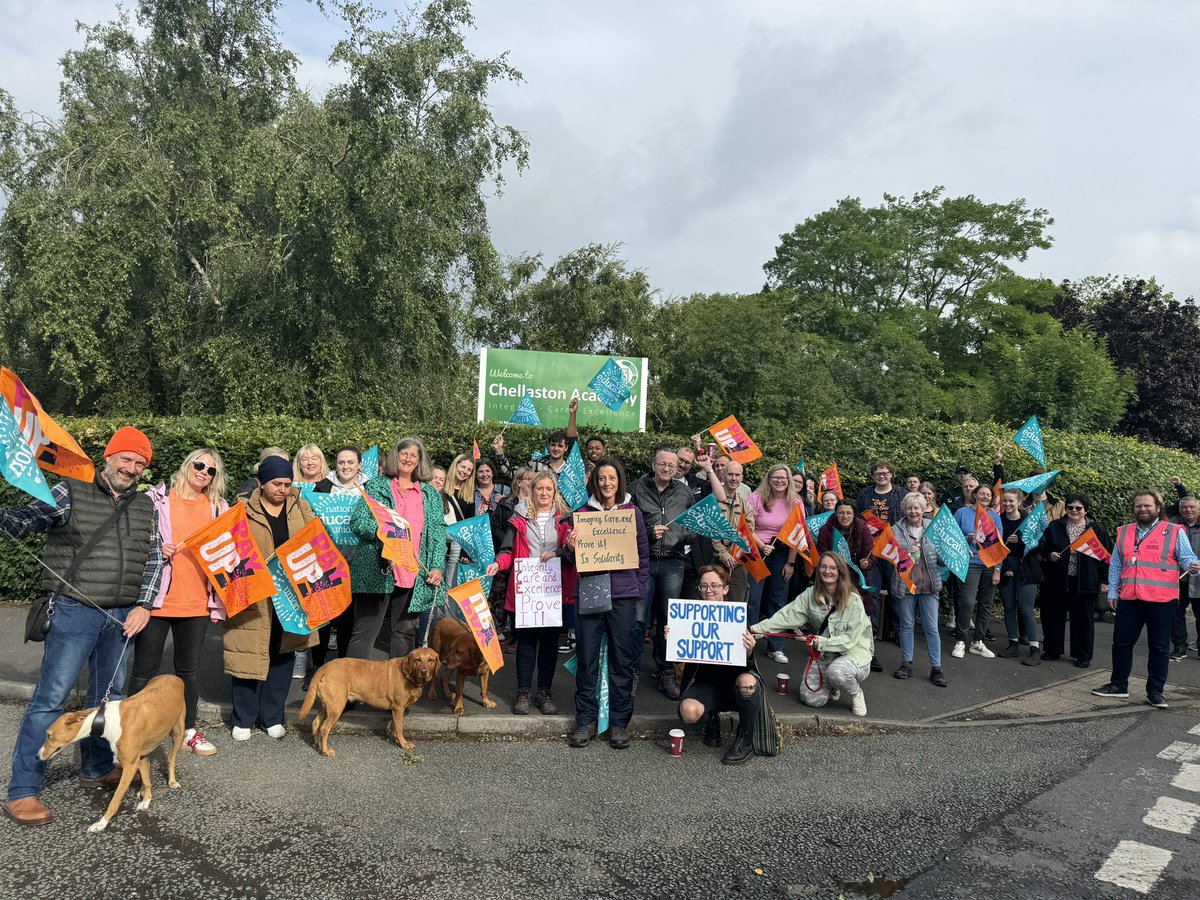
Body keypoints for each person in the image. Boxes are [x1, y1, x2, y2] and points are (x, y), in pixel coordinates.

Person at [2, 427, 161, 827]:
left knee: (110, 701)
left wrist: (144, 605)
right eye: (126, 458)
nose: (132, 467)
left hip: (123, 616)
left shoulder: (145, 506)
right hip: (74, 611)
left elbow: (156, 560)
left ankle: (95, 768)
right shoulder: (70, 490)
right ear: (108, 457)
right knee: (51, 699)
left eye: (140, 463)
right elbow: (24, 521)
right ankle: (22, 791)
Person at [131, 448, 229, 758]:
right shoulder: (155, 500)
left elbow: (228, 555)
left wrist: (221, 602)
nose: (204, 472)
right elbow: (133, 542)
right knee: (143, 671)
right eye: (200, 465)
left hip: (196, 603)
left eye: (211, 470)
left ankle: (188, 730)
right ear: (187, 464)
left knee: (189, 672)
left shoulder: (218, 508)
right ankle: (134, 728)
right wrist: (157, 549)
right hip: (157, 601)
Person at [225, 455, 319, 741]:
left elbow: (316, 538)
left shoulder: (300, 505)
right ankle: (243, 717)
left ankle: (272, 716)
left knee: (283, 653)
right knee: (248, 654)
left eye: (288, 483)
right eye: (277, 483)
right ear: (260, 483)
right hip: (252, 595)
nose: (283, 489)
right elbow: (228, 549)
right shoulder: (241, 509)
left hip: (289, 595)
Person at [562, 458, 649, 749]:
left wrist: (639, 592)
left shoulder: (632, 513)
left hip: (624, 596)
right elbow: (572, 559)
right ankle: (585, 721)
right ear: (595, 482)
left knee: (622, 661)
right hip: (590, 592)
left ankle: (619, 724)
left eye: (611, 478)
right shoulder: (583, 514)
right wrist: (570, 548)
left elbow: (643, 556)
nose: (606, 483)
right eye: (601, 479)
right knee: (587, 659)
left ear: (619, 480)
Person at [1094, 491, 1200, 708]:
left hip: (1162, 600)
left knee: (1159, 648)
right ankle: (1118, 685)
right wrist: (1113, 592)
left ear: (1157, 507)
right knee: (1121, 643)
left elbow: (1187, 557)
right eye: (1138, 506)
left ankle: (1155, 692)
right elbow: (1116, 564)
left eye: (1147, 506)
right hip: (1130, 599)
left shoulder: (1173, 531)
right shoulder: (1124, 532)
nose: (1142, 509)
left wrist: (1193, 566)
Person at [346, 437, 446, 660]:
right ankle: (353, 692)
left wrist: (438, 566)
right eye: (404, 454)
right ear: (395, 456)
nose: (408, 459)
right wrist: (384, 532)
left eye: (414, 455)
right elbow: (358, 522)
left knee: (405, 632)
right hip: (377, 569)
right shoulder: (376, 486)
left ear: (420, 461)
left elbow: (438, 534)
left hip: (413, 572)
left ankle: (399, 691)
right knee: (365, 632)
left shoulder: (430, 495)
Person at [487, 472, 577, 716]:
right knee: (526, 644)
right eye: (540, 489)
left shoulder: (566, 520)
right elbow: (507, 551)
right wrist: (498, 563)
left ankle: (545, 693)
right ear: (532, 490)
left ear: (554, 491)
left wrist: (561, 551)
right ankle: (524, 692)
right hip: (527, 591)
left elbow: (573, 553)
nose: (544, 493)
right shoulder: (519, 518)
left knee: (549, 644)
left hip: (553, 591)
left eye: (549, 489)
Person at [747, 552, 872, 717]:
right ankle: (833, 685)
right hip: (825, 651)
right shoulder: (810, 594)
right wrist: (754, 631)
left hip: (854, 654)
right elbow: (785, 617)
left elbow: (849, 640)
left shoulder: (854, 600)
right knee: (811, 699)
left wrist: (822, 643)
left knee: (837, 673)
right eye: (823, 566)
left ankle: (856, 693)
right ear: (818, 570)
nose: (827, 571)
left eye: (833, 568)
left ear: (841, 572)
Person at [677, 565, 763, 765]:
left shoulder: (737, 616)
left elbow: (748, 665)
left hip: (735, 685)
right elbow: (678, 657)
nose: (709, 590)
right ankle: (710, 718)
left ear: (725, 589)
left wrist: (749, 651)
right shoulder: (689, 617)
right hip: (706, 685)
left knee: (748, 682)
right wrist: (672, 638)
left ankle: (745, 739)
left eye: (715, 585)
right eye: (704, 585)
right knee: (688, 711)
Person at [630, 446, 696, 700]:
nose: (668, 468)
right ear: (654, 464)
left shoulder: (684, 492)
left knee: (669, 621)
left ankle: (666, 670)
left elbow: (692, 526)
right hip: (644, 561)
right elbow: (626, 526)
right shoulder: (636, 488)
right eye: (663, 464)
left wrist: (680, 535)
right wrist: (647, 533)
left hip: (673, 562)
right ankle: (632, 670)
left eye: (672, 464)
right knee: (639, 619)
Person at [306, 445, 362, 683]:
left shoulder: (368, 488)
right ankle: (317, 670)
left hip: (356, 564)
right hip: (325, 564)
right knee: (323, 620)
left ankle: (343, 674)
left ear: (359, 464)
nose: (346, 467)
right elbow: (310, 523)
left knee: (348, 622)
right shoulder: (321, 488)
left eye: (350, 462)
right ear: (335, 464)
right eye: (341, 463)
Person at [1039, 493, 1111, 666]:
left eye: (1078, 508)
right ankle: (1052, 650)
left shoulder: (1096, 529)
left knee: (1083, 620)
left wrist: (1104, 580)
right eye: (1070, 507)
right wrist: (1049, 555)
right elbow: (1043, 547)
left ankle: (1083, 655)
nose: (1073, 511)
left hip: (1085, 581)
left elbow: (1107, 556)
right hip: (1057, 581)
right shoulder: (1055, 526)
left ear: (1085, 510)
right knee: (1053, 617)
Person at [890, 493, 947, 686]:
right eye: (909, 508)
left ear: (924, 509)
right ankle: (906, 664)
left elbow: (941, 559)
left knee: (931, 628)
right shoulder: (894, 530)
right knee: (907, 625)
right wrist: (905, 555)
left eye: (917, 508)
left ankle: (936, 668)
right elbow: (890, 557)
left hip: (929, 585)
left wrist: (951, 556)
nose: (913, 511)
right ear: (904, 509)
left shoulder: (934, 528)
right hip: (906, 585)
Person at [746, 464, 801, 664]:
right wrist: (761, 545)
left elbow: (797, 532)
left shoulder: (796, 502)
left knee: (777, 601)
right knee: (753, 599)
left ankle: (775, 647)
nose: (779, 481)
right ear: (768, 479)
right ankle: (748, 642)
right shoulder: (755, 498)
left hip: (782, 554)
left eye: (783, 478)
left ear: (788, 481)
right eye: (775, 477)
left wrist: (791, 563)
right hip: (757, 551)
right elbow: (745, 525)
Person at [951, 483, 1001, 660]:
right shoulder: (962, 513)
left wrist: (997, 569)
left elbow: (999, 545)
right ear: (975, 495)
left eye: (988, 495)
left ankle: (977, 641)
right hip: (970, 563)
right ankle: (961, 640)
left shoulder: (995, 517)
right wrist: (966, 538)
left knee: (986, 604)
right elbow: (952, 537)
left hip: (989, 564)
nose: (985, 497)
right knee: (967, 602)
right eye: (982, 494)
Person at [997, 489, 1043, 666]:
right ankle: (1013, 644)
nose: (1007, 504)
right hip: (1006, 567)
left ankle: (1034, 649)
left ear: (1019, 501)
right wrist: (1005, 567)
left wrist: (1022, 540)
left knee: (1026, 609)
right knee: (1008, 607)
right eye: (1005, 501)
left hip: (1026, 569)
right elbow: (995, 547)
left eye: (1011, 501)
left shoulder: (1028, 520)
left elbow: (1040, 545)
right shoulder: (999, 520)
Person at [712, 460, 754, 603]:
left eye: (737, 475)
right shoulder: (712, 501)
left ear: (742, 478)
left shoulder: (746, 506)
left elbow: (748, 533)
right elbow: (711, 531)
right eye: (730, 474)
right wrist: (723, 554)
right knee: (713, 601)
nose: (733, 478)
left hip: (738, 561)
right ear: (723, 475)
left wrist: (735, 555)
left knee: (737, 602)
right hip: (714, 560)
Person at [1169, 495, 1200, 661]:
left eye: (1192, 507)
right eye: (1184, 507)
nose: (1188, 510)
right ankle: (1179, 646)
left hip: (1199, 579)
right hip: (1177, 578)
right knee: (1176, 614)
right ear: (1180, 509)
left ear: (1198, 509)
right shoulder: (1171, 526)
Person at [531, 398, 579, 477]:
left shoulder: (571, 468)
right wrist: (502, 452)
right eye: (553, 445)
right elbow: (512, 475)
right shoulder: (535, 464)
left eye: (560, 446)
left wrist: (573, 414)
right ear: (548, 446)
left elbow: (572, 439)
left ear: (566, 448)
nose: (556, 449)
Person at [854, 459, 905, 527]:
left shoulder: (903, 493)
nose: (881, 476)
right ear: (873, 476)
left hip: (896, 535)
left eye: (884, 473)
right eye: (878, 474)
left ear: (891, 474)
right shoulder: (864, 494)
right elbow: (857, 516)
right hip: (870, 535)